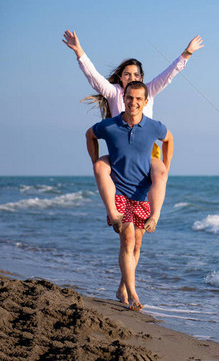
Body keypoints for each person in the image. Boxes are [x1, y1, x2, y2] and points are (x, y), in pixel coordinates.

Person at [64, 30, 203, 233]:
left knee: (160, 173)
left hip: (146, 154)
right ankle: (114, 213)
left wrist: (187, 54)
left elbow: (169, 75)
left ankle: (154, 218)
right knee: (100, 169)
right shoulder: (114, 92)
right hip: (120, 154)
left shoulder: (149, 90)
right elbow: (93, 77)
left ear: (142, 79)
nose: (131, 78)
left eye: (136, 75)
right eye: (127, 74)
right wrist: (79, 52)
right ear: (120, 77)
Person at [86, 81, 174, 310]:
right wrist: (96, 160)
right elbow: (89, 135)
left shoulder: (154, 127)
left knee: (136, 245)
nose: (133, 102)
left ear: (146, 102)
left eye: (138, 99)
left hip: (142, 193)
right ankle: (134, 295)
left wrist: (165, 165)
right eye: (129, 98)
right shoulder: (110, 126)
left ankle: (123, 286)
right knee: (127, 239)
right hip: (119, 192)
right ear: (123, 99)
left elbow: (169, 139)